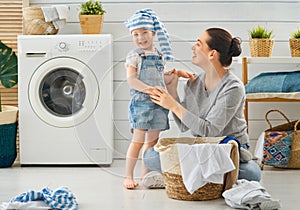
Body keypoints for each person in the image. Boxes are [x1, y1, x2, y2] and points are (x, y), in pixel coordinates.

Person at [143, 27, 261, 187]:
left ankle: (180, 176)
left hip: (229, 150)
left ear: (212, 54)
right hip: (203, 149)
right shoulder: (194, 83)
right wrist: (172, 90)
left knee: (252, 172)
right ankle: (205, 178)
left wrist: (172, 104)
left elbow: (209, 130)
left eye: (198, 44)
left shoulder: (233, 88)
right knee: (150, 156)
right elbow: (185, 125)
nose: (193, 47)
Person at [123, 8, 194, 189]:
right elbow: (132, 80)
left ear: (153, 33)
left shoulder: (159, 56)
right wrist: (149, 89)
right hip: (141, 105)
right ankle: (128, 175)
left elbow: (160, 79)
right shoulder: (134, 56)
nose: (141, 38)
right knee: (137, 141)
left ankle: (144, 175)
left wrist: (176, 73)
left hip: (158, 104)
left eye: (144, 33)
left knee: (152, 142)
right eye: (136, 34)